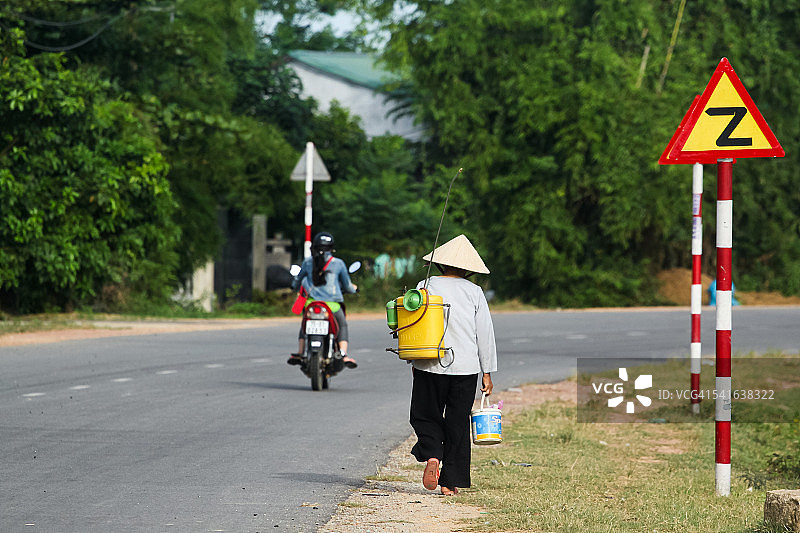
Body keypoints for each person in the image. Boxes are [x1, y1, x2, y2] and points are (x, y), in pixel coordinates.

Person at [408, 234, 497, 496]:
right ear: (469, 269)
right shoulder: (475, 292)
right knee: (457, 421)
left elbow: (416, 324)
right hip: (466, 367)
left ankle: (433, 454)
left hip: (429, 362)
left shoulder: (426, 284)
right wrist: (487, 372)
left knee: (425, 414)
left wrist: (414, 358)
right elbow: (485, 333)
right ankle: (450, 481)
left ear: (441, 264)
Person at [288, 232, 359, 368]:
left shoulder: (308, 262)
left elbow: (297, 281)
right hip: (332, 306)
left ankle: (300, 352)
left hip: (312, 304)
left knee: (305, 323)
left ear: (314, 247)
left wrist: (294, 287)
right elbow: (347, 286)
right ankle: (343, 354)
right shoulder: (338, 263)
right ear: (332, 248)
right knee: (342, 324)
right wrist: (354, 289)